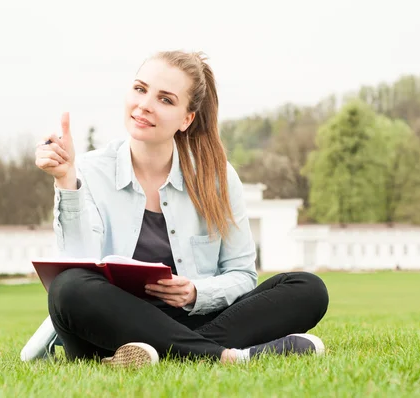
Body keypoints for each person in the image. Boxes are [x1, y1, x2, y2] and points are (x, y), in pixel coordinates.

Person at [33, 50, 329, 368]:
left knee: (307, 288)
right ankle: (224, 356)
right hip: (110, 323)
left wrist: (195, 292)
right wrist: (66, 180)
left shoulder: (218, 177)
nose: (145, 104)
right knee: (69, 288)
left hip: (195, 319)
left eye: (165, 99)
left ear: (186, 118)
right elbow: (77, 260)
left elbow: (242, 274)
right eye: (140, 89)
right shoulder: (87, 170)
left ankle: (156, 354)